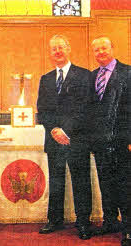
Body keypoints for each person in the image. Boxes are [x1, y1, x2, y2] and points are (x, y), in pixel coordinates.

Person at [37, 35, 92, 240]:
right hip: (54, 140)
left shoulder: (84, 75)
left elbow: (84, 108)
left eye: (60, 47)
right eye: (53, 49)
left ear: (68, 49)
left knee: (81, 181)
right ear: (50, 53)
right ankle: (54, 220)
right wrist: (53, 130)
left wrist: (65, 131)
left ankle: (83, 222)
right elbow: (42, 110)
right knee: (56, 181)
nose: (57, 51)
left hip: (76, 139)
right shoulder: (46, 78)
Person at [89, 37, 131, 246]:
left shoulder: (128, 72)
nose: (100, 52)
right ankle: (110, 221)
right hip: (100, 143)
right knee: (105, 184)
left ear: (112, 48)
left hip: (123, 141)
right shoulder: (92, 76)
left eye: (104, 48)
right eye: (96, 50)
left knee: (125, 186)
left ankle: (129, 228)